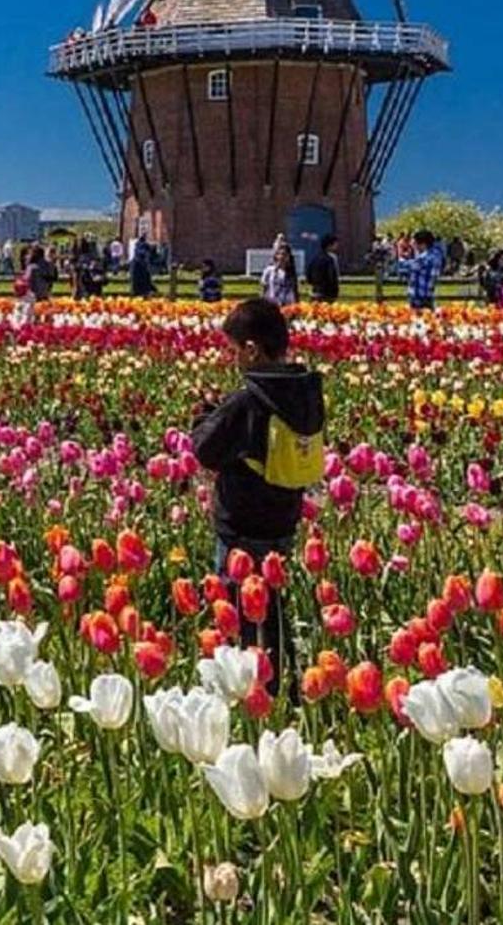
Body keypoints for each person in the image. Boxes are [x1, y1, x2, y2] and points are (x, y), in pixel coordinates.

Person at [190, 299, 326, 695]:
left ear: (251, 349)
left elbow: (206, 450)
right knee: (272, 609)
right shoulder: (306, 391)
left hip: (241, 527)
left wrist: (203, 415)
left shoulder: (248, 400)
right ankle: (279, 683)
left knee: (238, 613)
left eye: (234, 350)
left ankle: (246, 691)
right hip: (283, 519)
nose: (232, 359)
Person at [395, 231, 446, 311]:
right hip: (429, 294)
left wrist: (399, 253)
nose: (414, 246)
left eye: (415, 243)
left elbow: (404, 266)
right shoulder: (436, 254)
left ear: (423, 244)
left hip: (419, 296)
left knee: (418, 320)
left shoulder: (425, 257)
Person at [305, 236, 341, 303]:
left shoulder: (315, 258)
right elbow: (332, 277)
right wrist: (335, 291)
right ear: (329, 245)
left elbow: (308, 274)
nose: (337, 246)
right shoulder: (330, 259)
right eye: (335, 244)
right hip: (327, 294)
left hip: (315, 291)